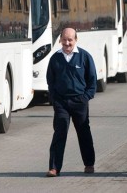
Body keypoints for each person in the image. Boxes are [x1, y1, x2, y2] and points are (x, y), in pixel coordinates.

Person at [46, 28, 96, 177]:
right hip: (61, 103)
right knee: (59, 133)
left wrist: (85, 97)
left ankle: (89, 164)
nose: (67, 43)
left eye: (70, 40)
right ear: (60, 39)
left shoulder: (85, 57)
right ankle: (54, 168)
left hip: (79, 101)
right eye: (64, 39)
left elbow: (92, 81)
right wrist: (55, 99)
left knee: (84, 133)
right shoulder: (55, 58)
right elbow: (50, 81)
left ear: (76, 40)